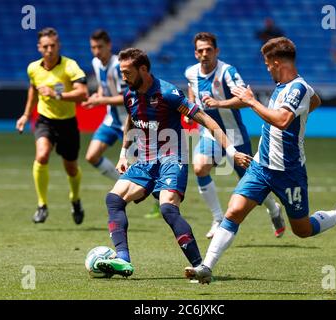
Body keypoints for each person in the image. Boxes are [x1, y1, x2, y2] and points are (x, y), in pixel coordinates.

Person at [185, 37, 336, 284]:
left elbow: (281, 120)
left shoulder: (298, 88)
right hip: (261, 166)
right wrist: (298, 115)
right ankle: (206, 267)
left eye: (268, 64)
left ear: (277, 63)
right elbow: (315, 101)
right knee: (234, 210)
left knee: (302, 230)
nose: (267, 69)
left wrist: (251, 101)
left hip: (289, 172)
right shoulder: (283, 87)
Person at [92, 48, 253, 278]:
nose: (123, 78)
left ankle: (201, 267)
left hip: (171, 159)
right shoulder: (129, 95)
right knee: (114, 199)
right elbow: (130, 120)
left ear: (143, 70)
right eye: (121, 73)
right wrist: (123, 153)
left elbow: (206, 119)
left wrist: (230, 150)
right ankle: (123, 259)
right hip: (145, 161)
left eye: (127, 73)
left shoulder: (168, 93)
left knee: (168, 209)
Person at [184, 32, 285, 239]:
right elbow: (191, 89)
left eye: (208, 50)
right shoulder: (191, 72)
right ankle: (218, 218)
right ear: (195, 54)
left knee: (252, 182)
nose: (204, 54)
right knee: (200, 167)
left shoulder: (228, 72)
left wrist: (219, 103)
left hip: (234, 136)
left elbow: (246, 99)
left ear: (216, 51)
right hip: (210, 134)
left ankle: (273, 209)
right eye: (200, 50)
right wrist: (191, 110)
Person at [82, 29, 161, 219]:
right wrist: (98, 96)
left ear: (109, 45)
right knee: (91, 156)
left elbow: (126, 98)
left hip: (130, 121)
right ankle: (124, 182)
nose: (96, 51)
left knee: (147, 165)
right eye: (93, 47)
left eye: (100, 47)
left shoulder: (119, 67)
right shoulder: (95, 63)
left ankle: (160, 202)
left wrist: (100, 101)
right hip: (111, 120)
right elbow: (103, 87)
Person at [16, 27, 88, 224]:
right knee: (41, 155)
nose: (50, 49)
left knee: (71, 168)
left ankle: (75, 199)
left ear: (58, 46)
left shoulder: (70, 66)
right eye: (45, 46)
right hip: (44, 120)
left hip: (67, 123)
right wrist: (25, 115)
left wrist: (57, 94)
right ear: (39, 48)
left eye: (53, 45)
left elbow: (83, 93)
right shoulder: (33, 68)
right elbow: (33, 91)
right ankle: (42, 205)